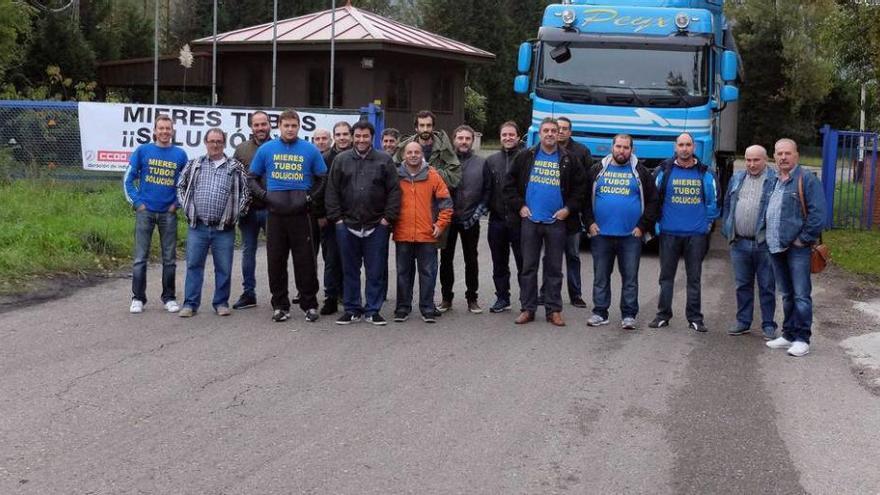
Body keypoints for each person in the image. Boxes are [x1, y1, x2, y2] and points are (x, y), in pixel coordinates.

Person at [504, 117, 586, 327]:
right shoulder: (525, 156)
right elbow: (509, 185)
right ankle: (528, 309)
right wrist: (520, 206)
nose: (550, 134)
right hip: (530, 221)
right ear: (540, 134)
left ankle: (554, 310)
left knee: (554, 268)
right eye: (546, 130)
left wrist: (567, 210)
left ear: (559, 134)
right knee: (528, 267)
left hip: (556, 223)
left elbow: (580, 189)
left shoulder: (569, 159)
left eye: (553, 130)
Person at [247, 109, 326, 323]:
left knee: (306, 262)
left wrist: (310, 198)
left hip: (302, 214)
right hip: (276, 214)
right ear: (279, 127)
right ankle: (280, 305)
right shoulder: (266, 149)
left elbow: (322, 178)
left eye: (294, 125)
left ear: (299, 127)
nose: (290, 129)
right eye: (286, 125)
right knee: (276, 261)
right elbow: (251, 177)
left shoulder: (310, 149)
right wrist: (265, 196)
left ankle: (310, 304)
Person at [325, 120, 401, 325]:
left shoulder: (384, 160)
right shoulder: (341, 160)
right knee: (349, 270)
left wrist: (387, 219)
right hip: (346, 225)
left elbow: (394, 191)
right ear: (352, 137)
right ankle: (352, 309)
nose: (361, 140)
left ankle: (373, 310)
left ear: (372, 137)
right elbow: (331, 191)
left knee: (375, 270)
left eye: (365, 136)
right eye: (357, 136)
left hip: (377, 225)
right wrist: (338, 220)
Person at [582, 134, 659, 329]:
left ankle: (629, 315)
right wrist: (589, 223)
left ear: (632, 150)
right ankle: (600, 312)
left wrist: (642, 227)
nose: (621, 151)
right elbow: (584, 199)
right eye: (618, 146)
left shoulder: (640, 172)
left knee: (630, 278)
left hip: (630, 237)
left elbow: (653, 201)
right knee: (600, 276)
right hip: (601, 235)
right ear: (612, 147)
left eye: (626, 147)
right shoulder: (597, 170)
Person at [176, 129, 250, 317]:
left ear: (224, 143)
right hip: (197, 226)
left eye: (219, 141)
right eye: (211, 141)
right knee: (193, 265)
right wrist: (187, 207)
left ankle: (221, 303)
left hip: (224, 228)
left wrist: (236, 212)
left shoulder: (235, 167)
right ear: (205, 142)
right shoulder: (195, 164)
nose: (215, 144)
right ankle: (190, 304)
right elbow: (181, 186)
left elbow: (245, 193)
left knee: (223, 267)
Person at [649, 133, 719, 332]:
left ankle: (695, 318)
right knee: (666, 277)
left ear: (694, 147)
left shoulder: (706, 173)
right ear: (675, 147)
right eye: (681, 144)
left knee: (694, 278)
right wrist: (656, 225)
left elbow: (713, 202)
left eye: (688, 145)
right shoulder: (663, 170)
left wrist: (706, 226)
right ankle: (663, 315)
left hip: (696, 235)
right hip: (669, 232)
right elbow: (653, 199)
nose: (685, 148)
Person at [764, 138, 826, 357]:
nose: (783, 157)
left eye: (787, 153)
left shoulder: (806, 179)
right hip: (775, 246)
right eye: (779, 153)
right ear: (774, 156)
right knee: (787, 294)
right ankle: (788, 334)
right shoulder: (774, 180)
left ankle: (802, 338)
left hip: (797, 248)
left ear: (796, 155)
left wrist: (803, 239)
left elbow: (818, 214)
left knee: (801, 295)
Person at [123, 114, 188, 314]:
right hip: (146, 212)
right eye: (161, 128)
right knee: (140, 258)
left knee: (169, 259)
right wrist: (137, 203)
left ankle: (169, 297)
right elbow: (128, 179)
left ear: (173, 131)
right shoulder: (143, 151)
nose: (164, 132)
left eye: (168, 128)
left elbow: (186, 184)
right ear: (154, 130)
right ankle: (138, 298)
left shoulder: (180, 154)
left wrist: (176, 204)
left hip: (168, 214)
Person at [721, 144, 778, 339]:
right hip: (740, 243)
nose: (751, 164)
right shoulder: (737, 178)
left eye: (756, 160)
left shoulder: (775, 180)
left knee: (767, 286)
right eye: (748, 160)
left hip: (764, 244)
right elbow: (728, 204)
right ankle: (743, 321)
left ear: (766, 160)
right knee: (742, 285)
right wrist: (728, 229)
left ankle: (768, 324)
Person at [393, 142, 453, 323]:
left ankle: (427, 308)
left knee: (428, 273)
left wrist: (440, 225)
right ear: (404, 155)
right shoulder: (396, 176)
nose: (413, 155)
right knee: (403, 273)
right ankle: (403, 308)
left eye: (416, 152)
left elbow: (446, 204)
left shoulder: (433, 175)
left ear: (422, 154)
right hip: (403, 234)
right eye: (409, 152)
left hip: (427, 235)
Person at [438, 125, 491, 314]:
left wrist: (476, 214)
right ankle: (446, 298)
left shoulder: (482, 163)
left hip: (470, 218)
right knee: (445, 260)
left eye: (467, 138)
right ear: (454, 140)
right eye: (460, 138)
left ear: (472, 141)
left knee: (471, 259)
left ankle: (472, 299)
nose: (463, 142)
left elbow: (487, 192)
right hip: (448, 219)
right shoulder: (444, 162)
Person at [232, 111, 271, 310]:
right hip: (248, 211)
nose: (260, 128)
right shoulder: (241, 150)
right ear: (251, 127)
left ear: (269, 125)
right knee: (248, 252)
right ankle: (249, 293)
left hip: (273, 210)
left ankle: (277, 294)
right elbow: (234, 179)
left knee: (276, 253)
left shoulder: (278, 146)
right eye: (256, 125)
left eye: (263, 124)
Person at [313, 121, 354, 315]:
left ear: (351, 136)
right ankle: (330, 297)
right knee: (331, 259)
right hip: (330, 218)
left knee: (351, 259)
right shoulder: (325, 158)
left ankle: (347, 295)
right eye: (338, 134)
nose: (342, 137)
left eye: (346, 134)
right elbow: (319, 189)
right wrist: (320, 214)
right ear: (334, 137)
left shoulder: (360, 156)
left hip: (355, 218)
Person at [486, 121, 524, 313]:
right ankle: (502, 297)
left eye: (511, 135)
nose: (508, 138)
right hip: (497, 220)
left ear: (518, 137)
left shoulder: (527, 157)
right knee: (499, 263)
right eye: (504, 135)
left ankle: (526, 300)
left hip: (521, 221)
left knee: (523, 263)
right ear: (500, 137)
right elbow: (487, 189)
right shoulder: (491, 160)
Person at [556, 116, 593, 308]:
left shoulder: (581, 152)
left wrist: (575, 208)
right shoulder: (543, 151)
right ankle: (547, 292)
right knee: (550, 258)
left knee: (573, 255)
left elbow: (586, 184)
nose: (560, 131)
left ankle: (575, 294)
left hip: (572, 213)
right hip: (550, 214)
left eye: (564, 128)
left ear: (570, 132)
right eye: (558, 128)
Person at [394, 110, 461, 189]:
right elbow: (393, 171)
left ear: (433, 127)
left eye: (428, 125)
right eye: (422, 125)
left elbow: (455, 177)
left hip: (436, 197)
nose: (425, 129)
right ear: (416, 128)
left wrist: (431, 173)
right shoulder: (405, 147)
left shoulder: (444, 147)